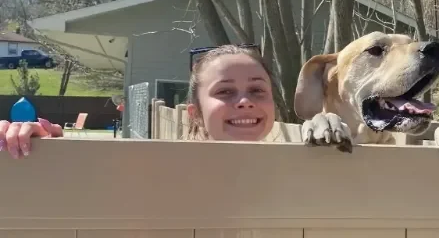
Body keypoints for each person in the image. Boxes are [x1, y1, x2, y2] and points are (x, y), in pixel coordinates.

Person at [0, 45, 277, 159]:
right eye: (225, 92)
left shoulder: (304, 173)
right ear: (195, 114)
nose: (244, 102)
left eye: (257, 90)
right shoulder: (157, 172)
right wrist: (50, 151)